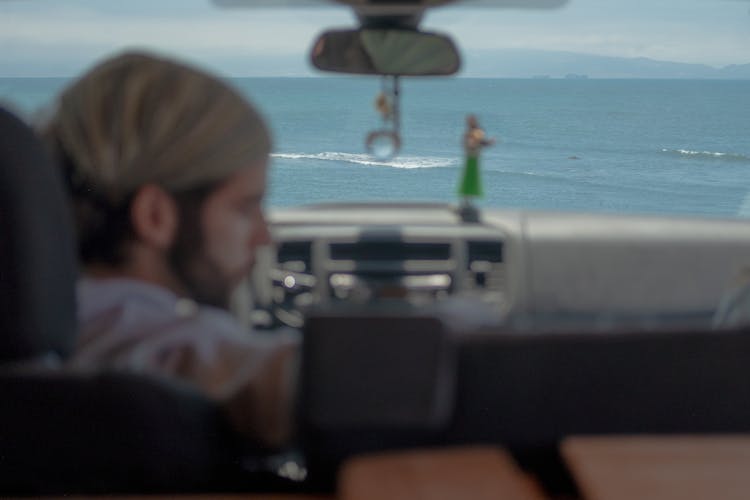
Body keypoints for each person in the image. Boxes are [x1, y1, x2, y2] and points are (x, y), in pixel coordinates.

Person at [42, 51, 297, 449]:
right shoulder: (159, 347)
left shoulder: (42, 330)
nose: (266, 238)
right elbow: (282, 384)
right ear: (155, 216)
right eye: (245, 209)